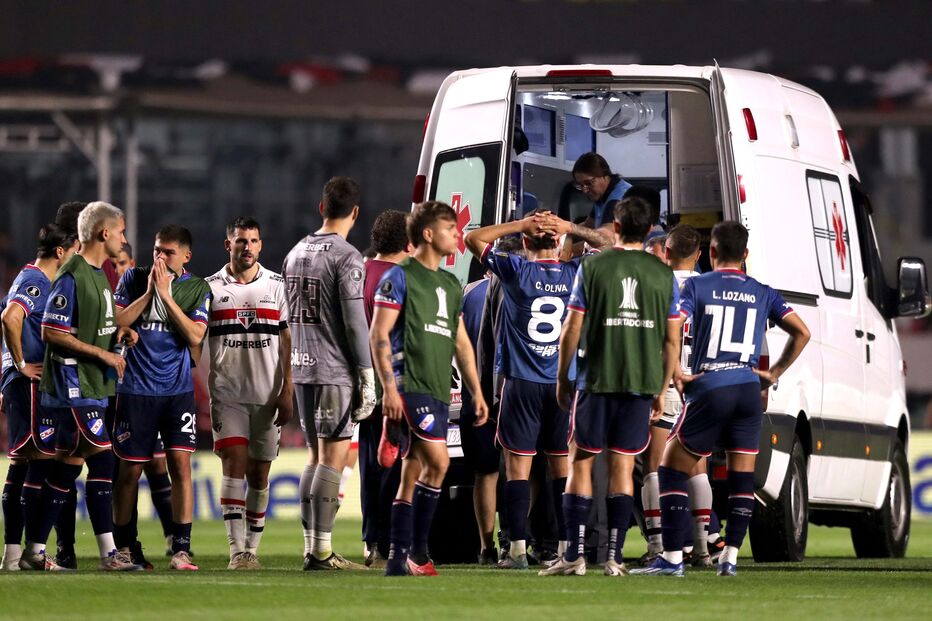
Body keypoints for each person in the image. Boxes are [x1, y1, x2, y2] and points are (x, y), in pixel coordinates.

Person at [633, 221, 810, 577]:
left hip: (710, 384)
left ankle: (670, 558)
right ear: (744, 255)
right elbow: (802, 332)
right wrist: (774, 372)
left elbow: (674, 327)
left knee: (669, 469)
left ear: (711, 252)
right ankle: (729, 555)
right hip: (747, 387)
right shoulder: (762, 291)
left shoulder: (697, 285)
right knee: (741, 477)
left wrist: (675, 374)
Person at [541, 196, 681, 577]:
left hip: (596, 379)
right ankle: (616, 558)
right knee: (623, 465)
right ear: (650, 230)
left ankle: (574, 557)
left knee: (581, 461)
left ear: (615, 229)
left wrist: (562, 376)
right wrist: (660, 387)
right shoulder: (663, 275)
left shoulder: (593, 266)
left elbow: (571, 328)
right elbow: (672, 340)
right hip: (639, 383)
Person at [464, 210, 608, 570]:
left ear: (526, 242)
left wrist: (519, 225)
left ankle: (514, 551)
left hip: (522, 383)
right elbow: (610, 244)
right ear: (559, 243)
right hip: (564, 384)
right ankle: (564, 548)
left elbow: (473, 239)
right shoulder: (579, 272)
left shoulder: (514, 269)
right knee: (564, 469)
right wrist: (571, 228)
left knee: (517, 470)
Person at [370, 201, 489, 577]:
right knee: (438, 462)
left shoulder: (450, 284)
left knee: (413, 472)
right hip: (410, 384)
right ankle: (417, 554)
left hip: (438, 386)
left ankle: (397, 558)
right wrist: (389, 390)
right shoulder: (400, 275)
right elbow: (378, 335)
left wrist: (477, 391)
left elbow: (462, 343)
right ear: (427, 234)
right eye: (449, 228)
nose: (457, 234)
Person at [22, 202, 139, 571]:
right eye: (120, 231)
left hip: (92, 386)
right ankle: (108, 555)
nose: (123, 237)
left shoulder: (100, 275)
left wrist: (119, 333)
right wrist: (103, 357)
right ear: (104, 233)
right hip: (72, 386)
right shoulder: (72, 274)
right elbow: (52, 332)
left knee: (68, 469)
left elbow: (95, 327)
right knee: (102, 459)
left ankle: (34, 550)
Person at [282, 177, 375, 571]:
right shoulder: (348, 256)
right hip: (335, 369)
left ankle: (312, 547)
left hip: (302, 367)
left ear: (322, 208)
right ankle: (321, 551)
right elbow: (355, 323)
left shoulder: (293, 253)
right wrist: (367, 375)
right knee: (333, 460)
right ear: (355, 212)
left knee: (315, 457)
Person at [111, 224, 211, 571]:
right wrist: (151, 292)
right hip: (135, 391)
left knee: (180, 467)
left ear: (186, 255)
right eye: (156, 250)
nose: (160, 257)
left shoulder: (197, 288)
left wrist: (167, 297)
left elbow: (196, 334)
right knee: (129, 473)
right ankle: (124, 547)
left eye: (167, 251)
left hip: (177, 392)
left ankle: (181, 548)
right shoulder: (133, 279)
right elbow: (116, 321)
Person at [206, 216, 293, 570]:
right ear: (228, 245)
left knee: (259, 476)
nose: (248, 247)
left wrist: (288, 388)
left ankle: (252, 549)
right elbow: (196, 338)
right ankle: (236, 551)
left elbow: (287, 340)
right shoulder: (209, 288)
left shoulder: (277, 286)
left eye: (254, 241)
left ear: (261, 245)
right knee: (234, 466)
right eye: (241, 241)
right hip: (228, 395)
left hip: (269, 395)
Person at [0, 223, 79, 570]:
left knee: (21, 465)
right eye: (74, 252)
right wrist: (19, 365)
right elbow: (10, 317)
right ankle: (33, 553)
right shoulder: (37, 281)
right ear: (60, 252)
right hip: (30, 382)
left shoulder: (26, 275)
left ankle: (13, 555)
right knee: (40, 461)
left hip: (19, 383)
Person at [639, 224, 715, 565]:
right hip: (702, 385)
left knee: (654, 466)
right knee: (697, 466)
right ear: (699, 255)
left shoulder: (655, 286)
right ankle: (701, 548)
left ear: (665, 253)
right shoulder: (709, 288)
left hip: (667, 381)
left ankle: (659, 546)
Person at [359, 209, 409, 567]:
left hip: (360, 385)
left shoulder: (357, 272)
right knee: (394, 466)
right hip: (391, 383)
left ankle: (371, 541)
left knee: (369, 466)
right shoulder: (398, 277)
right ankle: (391, 543)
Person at [572, 152, 632, 228]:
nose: (585, 190)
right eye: (580, 185)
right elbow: (588, 226)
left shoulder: (618, 200)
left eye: (589, 183)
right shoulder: (601, 196)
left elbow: (605, 236)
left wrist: (570, 228)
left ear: (605, 175)